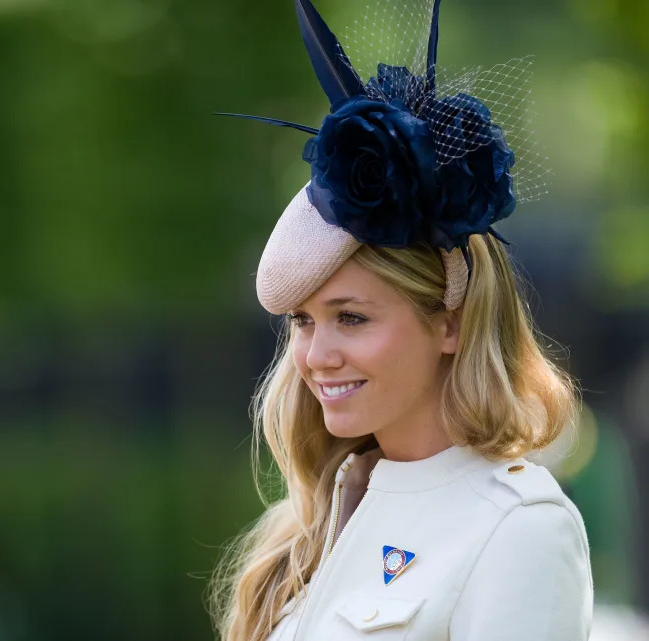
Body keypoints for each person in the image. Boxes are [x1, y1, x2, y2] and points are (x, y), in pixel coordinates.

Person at [208, 0, 594, 640]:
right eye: (303, 322)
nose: (316, 356)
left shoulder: (519, 527)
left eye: (351, 317)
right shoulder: (307, 528)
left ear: (452, 322)